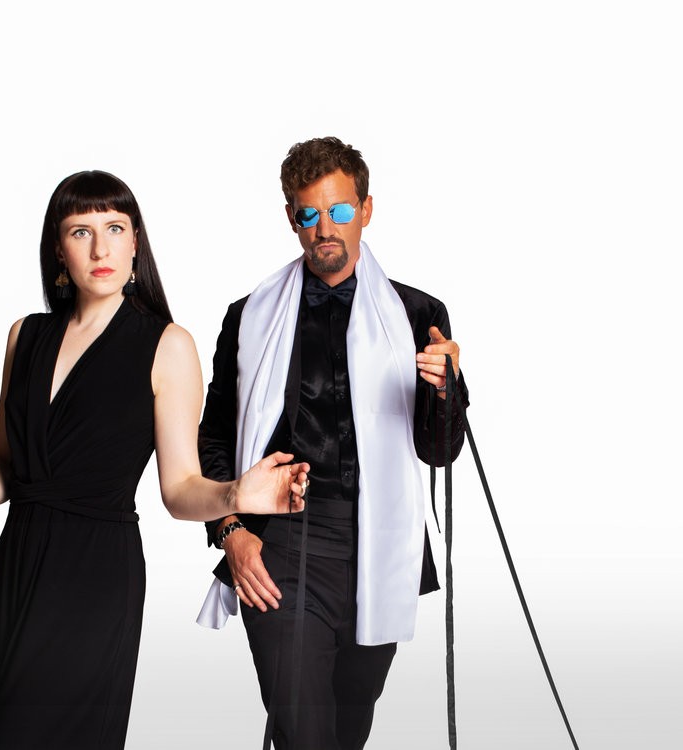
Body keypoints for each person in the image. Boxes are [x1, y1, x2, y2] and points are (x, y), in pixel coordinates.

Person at [0, 170, 309, 750]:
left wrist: (234, 495)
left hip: (96, 576)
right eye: (81, 231)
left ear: (135, 241)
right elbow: (5, 468)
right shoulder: (25, 336)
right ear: (58, 248)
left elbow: (179, 488)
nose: (101, 249)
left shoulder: (167, 344)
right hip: (18, 565)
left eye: (115, 228)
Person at [195, 137, 469, 749]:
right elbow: (213, 436)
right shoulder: (248, 316)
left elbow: (438, 451)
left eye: (340, 210)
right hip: (280, 543)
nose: (325, 228)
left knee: (348, 729)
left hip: (380, 541)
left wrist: (448, 389)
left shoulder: (418, 312)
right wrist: (230, 530)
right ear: (291, 218)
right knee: (303, 733)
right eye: (309, 213)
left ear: (366, 209)